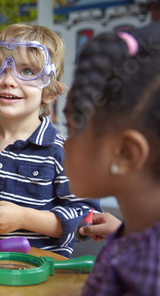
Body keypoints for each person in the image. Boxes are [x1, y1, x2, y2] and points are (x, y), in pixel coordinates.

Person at [0, 23, 102, 258]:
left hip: (42, 270)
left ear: (49, 93)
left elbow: (87, 219)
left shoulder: (62, 151)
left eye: (27, 71)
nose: (8, 80)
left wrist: (24, 217)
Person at [64, 22, 160, 294]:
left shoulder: (150, 266)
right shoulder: (133, 233)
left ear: (125, 153)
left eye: (72, 128)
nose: (65, 145)